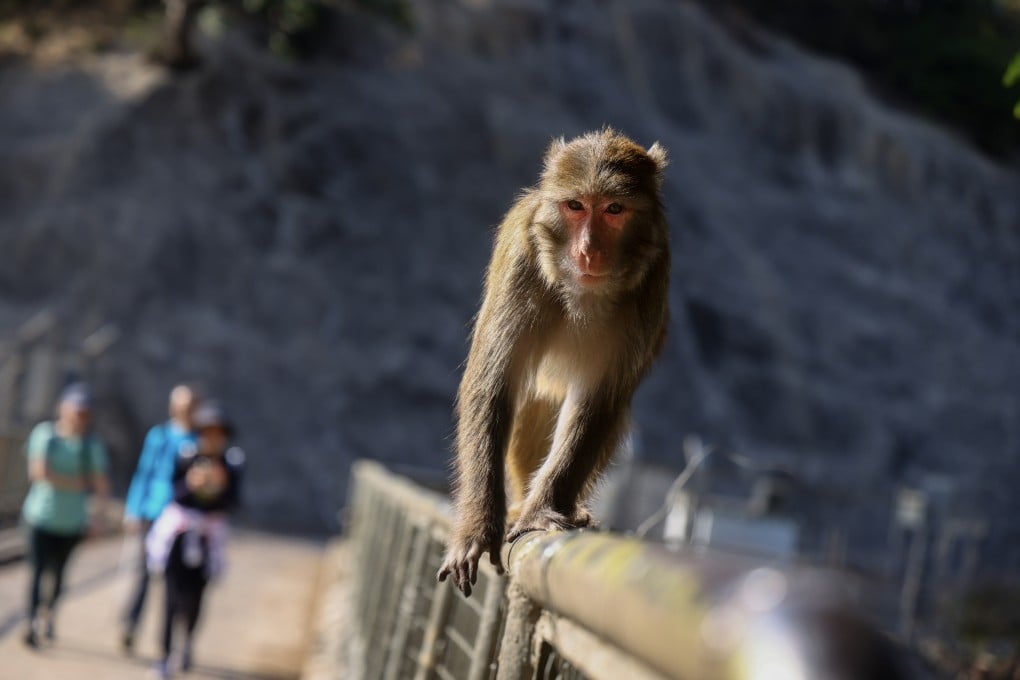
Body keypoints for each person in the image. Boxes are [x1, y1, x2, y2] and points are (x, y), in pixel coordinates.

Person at [146, 401, 243, 678]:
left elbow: (233, 502)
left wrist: (220, 486)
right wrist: (192, 484)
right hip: (180, 533)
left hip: (208, 538)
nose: (211, 438)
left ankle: (186, 641)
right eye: (206, 432)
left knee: (196, 597)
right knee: (170, 596)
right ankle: (163, 655)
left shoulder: (232, 462)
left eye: (217, 433)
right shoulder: (187, 456)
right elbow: (174, 494)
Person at [20, 382, 110, 648]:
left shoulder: (90, 445)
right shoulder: (46, 435)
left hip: (71, 522)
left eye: (84, 413)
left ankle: (49, 614)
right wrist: (79, 483)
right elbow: (38, 474)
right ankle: (31, 622)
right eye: (75, 411)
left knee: (59, 574)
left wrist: (98, 518)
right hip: (40, 516)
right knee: (37, 572)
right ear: (63, 409)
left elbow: (101, 484)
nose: (79, 417)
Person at [120, 384, 199, 652]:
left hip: (183, 518)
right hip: (155, 512)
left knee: (174, 582)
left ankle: (167, 640)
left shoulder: (198, 441)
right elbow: (144, 472)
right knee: (144, 572)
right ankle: (130, 624)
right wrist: (133, 509)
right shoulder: (160, 436)